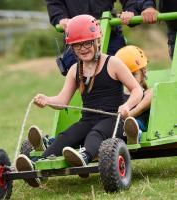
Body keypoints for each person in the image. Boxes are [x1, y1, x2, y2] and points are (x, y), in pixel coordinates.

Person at [15, 15, 143, 187]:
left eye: (87, 43)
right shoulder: (75, 69)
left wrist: (127, 106)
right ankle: (38, 167)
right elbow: (62, 100)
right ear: (72, 47)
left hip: (113, 120)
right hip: (88, 120)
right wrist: (47, 100)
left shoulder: (112, 63)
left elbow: (137, 90)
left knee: (95, 134)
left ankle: (84, 156)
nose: (83, 48)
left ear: (97, 40)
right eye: (77, 45)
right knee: (66, 136)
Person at [45, 0, 139, 75]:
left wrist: (130, 11)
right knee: (72, 66)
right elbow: (54, 3)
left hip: (110, 34)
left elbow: (130, 2)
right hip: (77, 37)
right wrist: (60, 18)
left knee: (121, 65)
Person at [115, 45, 152, 144]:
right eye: (125, 75)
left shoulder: (148, 92)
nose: (129, 78)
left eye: (133, 74)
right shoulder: (118, 94)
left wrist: (127, 116)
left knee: (133, 123)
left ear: (143, 72)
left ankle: (134, 134)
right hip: (119, 125)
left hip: (138, 123)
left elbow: (142, 108)